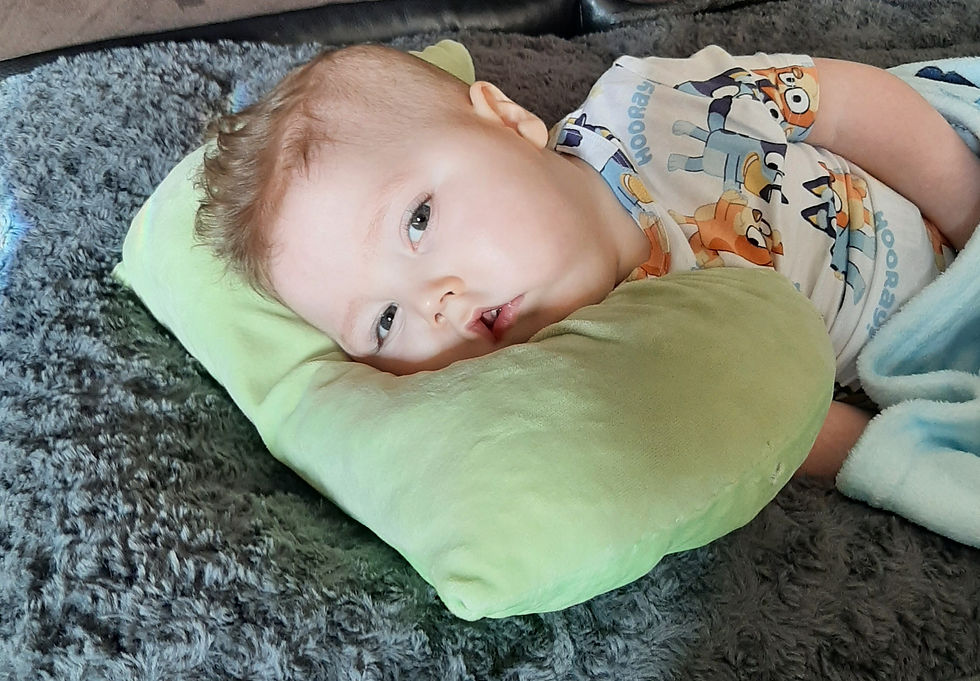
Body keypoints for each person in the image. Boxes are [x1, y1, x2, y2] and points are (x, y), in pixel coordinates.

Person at [194, 43, 980, 478]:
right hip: (917, 345)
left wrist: (964, 200)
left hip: (925, 180)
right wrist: (895, 453)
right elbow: (774, 420)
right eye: (385, 320)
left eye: (419, 220)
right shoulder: (606, 372)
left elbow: (836, 102)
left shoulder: (650, 107)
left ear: (505, 120)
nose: (435, 302)